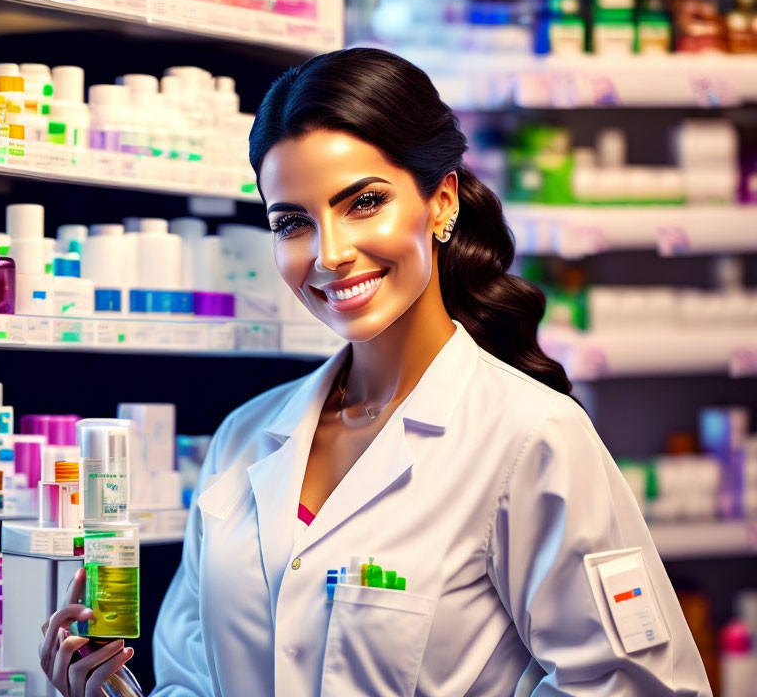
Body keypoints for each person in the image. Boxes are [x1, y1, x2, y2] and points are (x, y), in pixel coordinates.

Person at [39, 47, 711, 696]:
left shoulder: (532, 438)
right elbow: (193, 682)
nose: (329, 254)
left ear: (441, 201)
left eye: (362, 203)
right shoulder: (243, 440)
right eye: (292, 222)